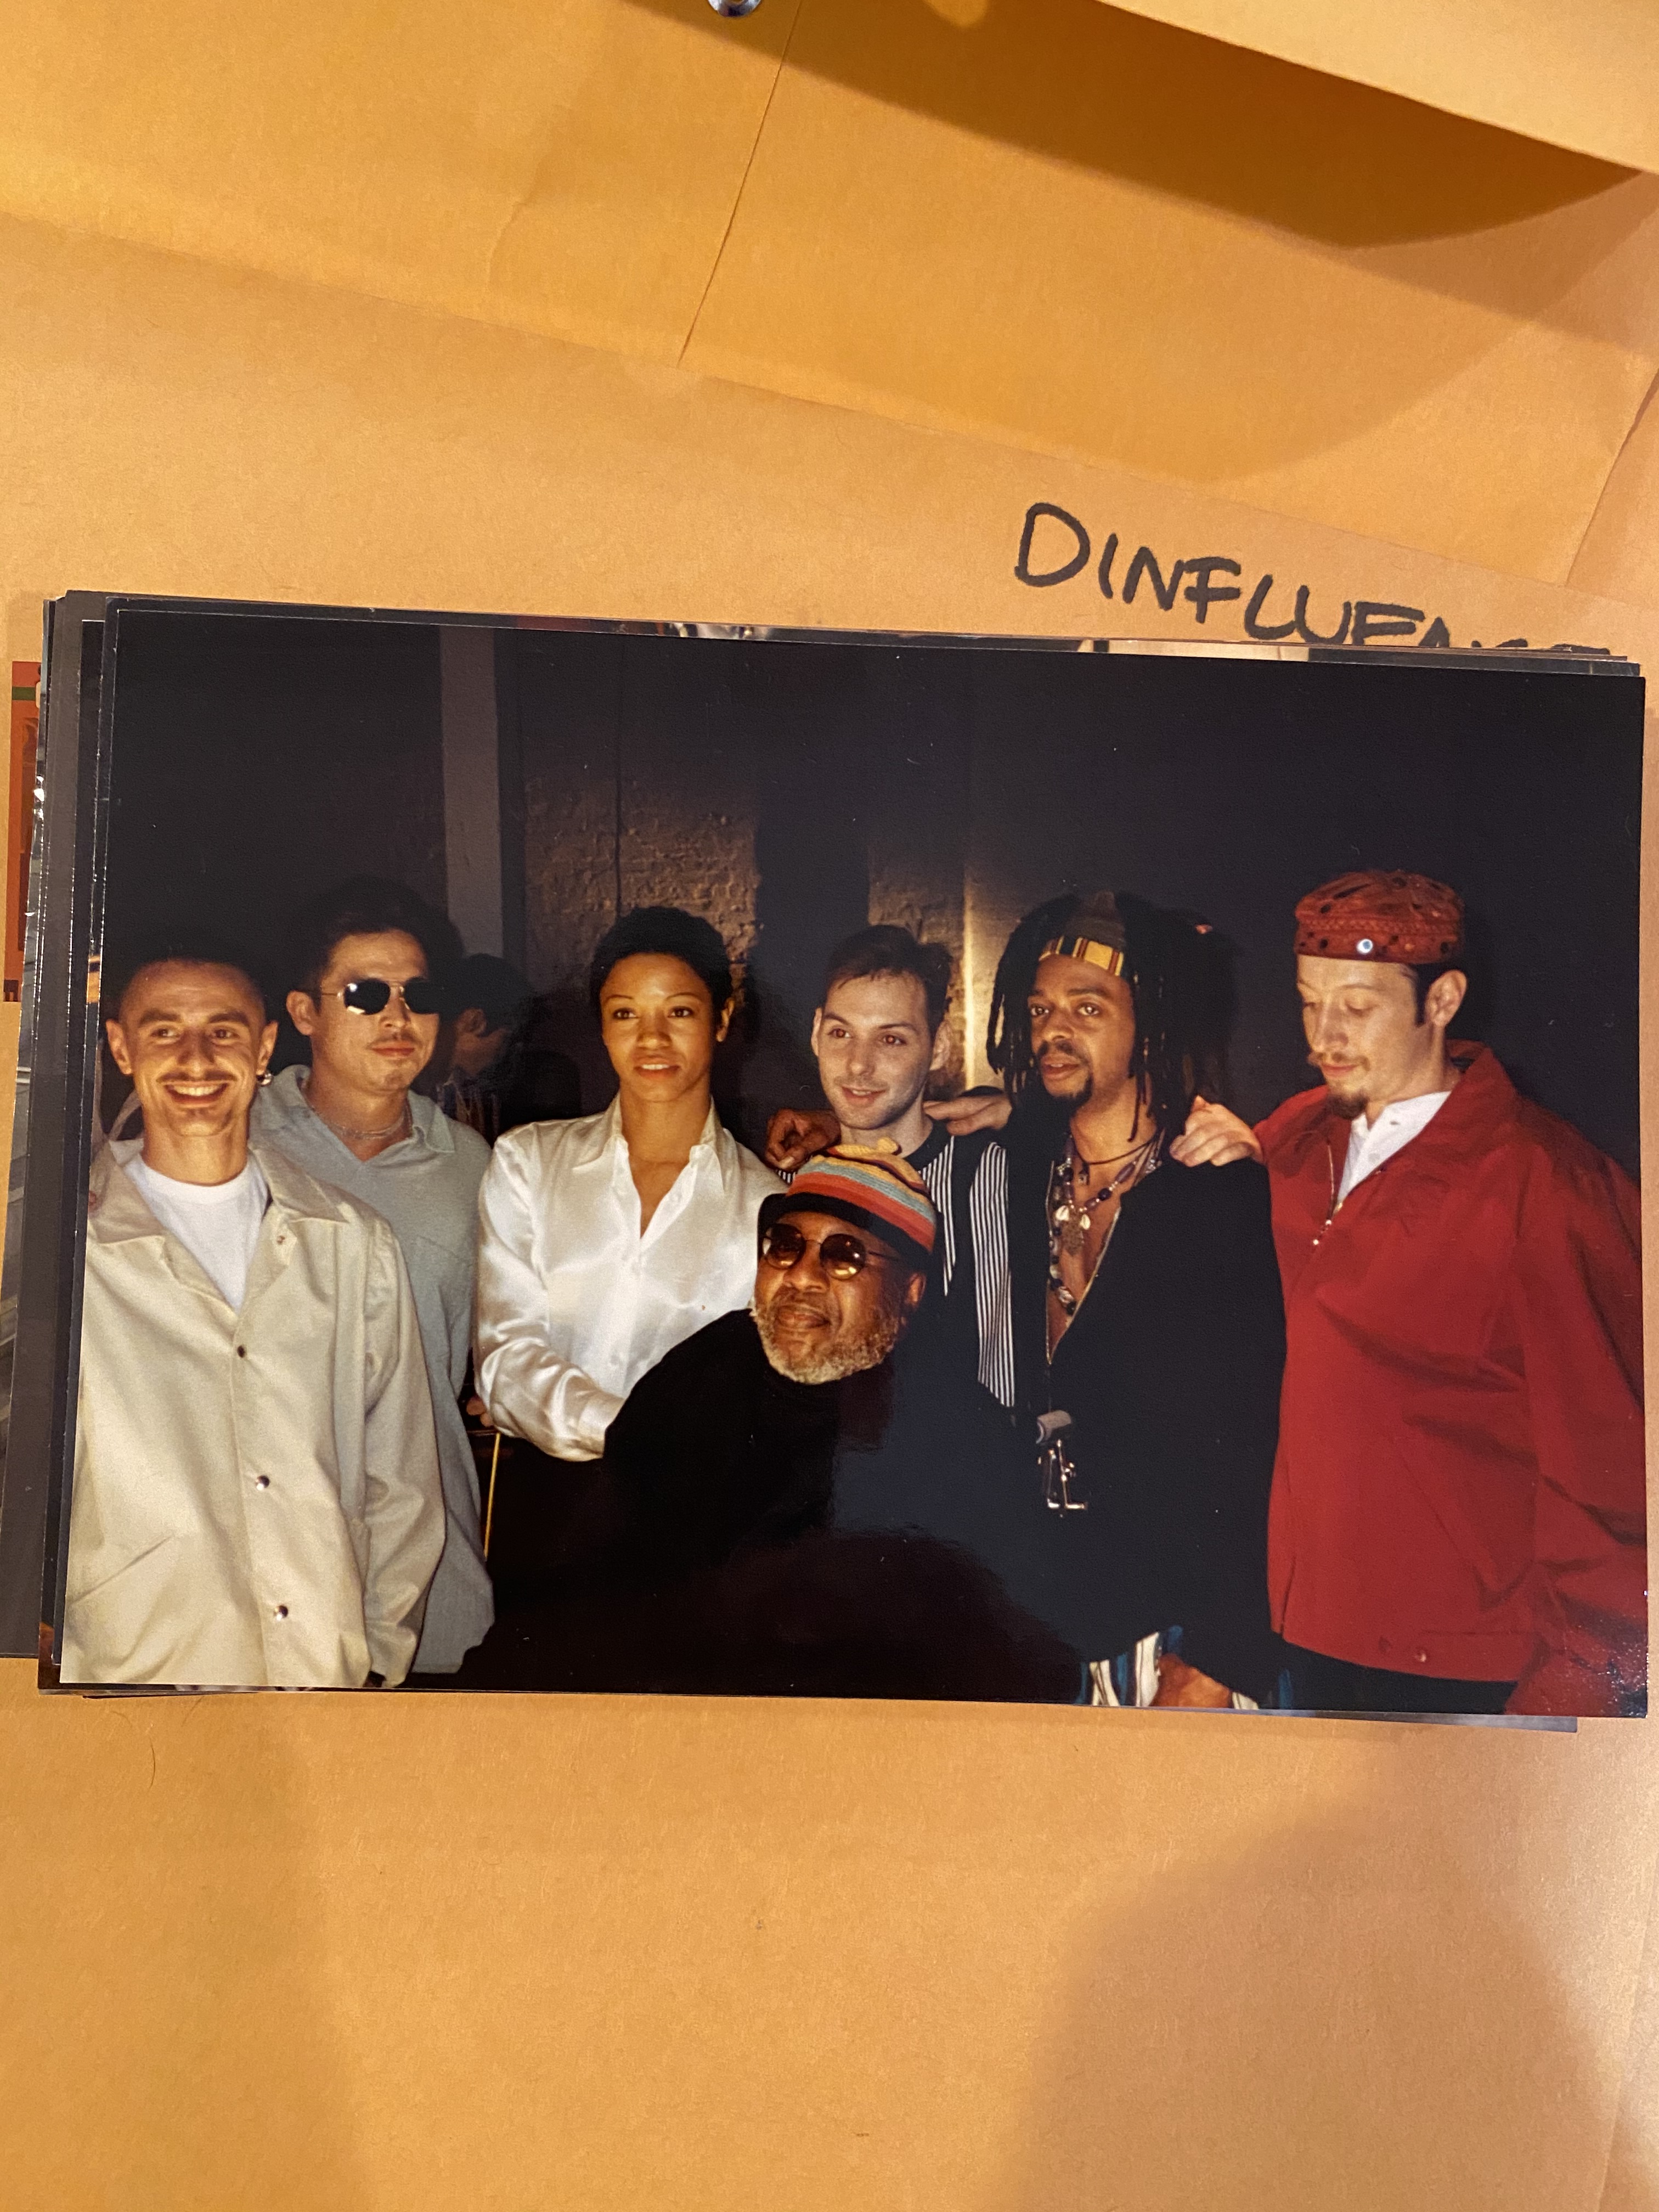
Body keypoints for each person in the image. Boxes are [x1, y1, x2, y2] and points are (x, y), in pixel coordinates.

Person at [1171, 869, 1646, 1717]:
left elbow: (1617, 1476)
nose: (1324, 1037)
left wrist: (1570, 1697)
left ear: (1443, 1000)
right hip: (1305, 1638)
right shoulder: (1294, 1139)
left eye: (1357, 1008)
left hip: (1469, 1666)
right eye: (1309, 1004)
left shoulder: (1549, 1182)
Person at [461, 1147, 1081, 1700]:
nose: (802, 1276)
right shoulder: (700, 1379)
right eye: (785, 1246)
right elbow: (588, 1585)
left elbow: (1023, 1663)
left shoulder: (957, 1436)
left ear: (911, 1291)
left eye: (844, 1256)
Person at [64, 939, 444, 1689]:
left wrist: (378, 1660)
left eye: (224, 1030)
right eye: (165, 1031)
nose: (196, 1059)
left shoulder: (353, 1242)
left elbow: (401, 1478)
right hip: (130, 1678)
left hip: (320, 1680)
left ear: (265, 1046)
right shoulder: (66, 1253)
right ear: (121, 1048)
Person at [984, 889, 1286, 1709]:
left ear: (1150, 1024)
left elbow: (1262, 1440)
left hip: (1174, 1635)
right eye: (1040, 1009)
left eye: (1088, 1008)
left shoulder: (1221, 1198)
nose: (1053, 1030)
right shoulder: (1004, 1176)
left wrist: (1221, 1655)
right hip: (1033, 1631)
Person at [253, 877, 495, 1675]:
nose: (398, 1017)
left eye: (417, 995)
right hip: (268, 1563)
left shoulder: (473, 1168)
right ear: (304, 1013)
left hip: (432, 1576)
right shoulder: (237, 1143)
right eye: (364, 994)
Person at [472, 906, 782, 1466]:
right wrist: (635, 1431)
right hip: (546, 1500)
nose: (652, 1038)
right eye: (625, 1013)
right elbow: (505, 1360)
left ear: (721, 1018)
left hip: (695, 1502)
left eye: (680, 1011)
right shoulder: (529, 1164)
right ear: (603, 1027)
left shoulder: (766, 1208)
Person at [765, 924, 1015, 1407]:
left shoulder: (996, 1173)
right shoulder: (790, 1180)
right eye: (841, 1033)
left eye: (892, 1040)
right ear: (816, 1032)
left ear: (938, 1046)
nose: (858, 1065)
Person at [436, 952, 580, 1141]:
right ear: (475, 1022)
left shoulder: (474, 1087)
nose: (512, 1053)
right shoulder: (428, 1089)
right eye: (508, 1040)